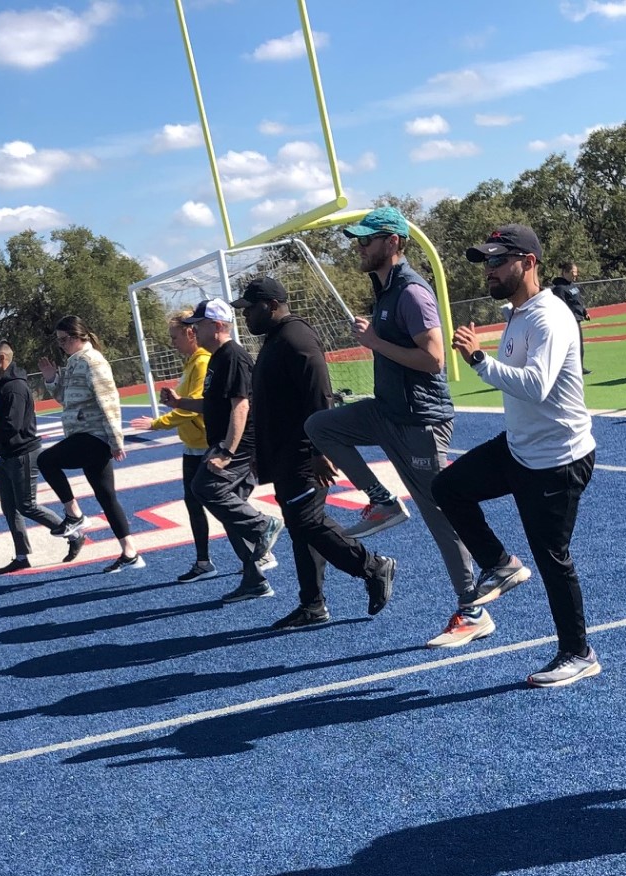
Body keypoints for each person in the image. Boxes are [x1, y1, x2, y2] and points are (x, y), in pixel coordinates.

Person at [306, 205, 488, 648]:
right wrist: (376, 333)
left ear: (393, 243)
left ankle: (473, 610)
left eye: (367, 240)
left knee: (439, 516)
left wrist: (374, 341)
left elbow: (433, 359)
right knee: (321, 425)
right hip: (390, 412)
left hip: (421, 422)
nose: (360, 247)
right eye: (359, 240)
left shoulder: (411, 292)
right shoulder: (386, 291)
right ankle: (382, 501)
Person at [443, 224, 600, 688]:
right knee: (448, 488)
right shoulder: (520, 312)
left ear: (528, 263)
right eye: (486, 263)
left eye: (497, 262)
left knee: (553, 558)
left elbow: (536, 384)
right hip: (521, 448)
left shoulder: (548, 316)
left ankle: (578, 653)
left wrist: (478, 360)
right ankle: (501, 564)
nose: (488, 271)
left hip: (558, 457)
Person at [239, 275, 397, 629]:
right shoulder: (277, 339)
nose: (246, 316)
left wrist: (318, 449)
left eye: (250, 308)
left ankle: (373, 566)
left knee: (307, 520)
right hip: (283, 453)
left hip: (302, 452)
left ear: (270, 305)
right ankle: (312, 604)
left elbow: (319, 397)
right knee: (299, 526)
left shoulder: (296, 338)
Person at [182, 297, 281, 604]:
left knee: (204, 487)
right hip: (228, 441)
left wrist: (227, 449)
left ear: (218, 325)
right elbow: (213, 404)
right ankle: (254, 579)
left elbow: (241, 405)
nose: (193, 332)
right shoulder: (217, 358)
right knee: (228, 510)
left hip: (239, 444)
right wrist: (179, 404)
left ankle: (263, 524)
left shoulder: (233, 356)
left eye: (198, 325)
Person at [37, 315, 140, 573]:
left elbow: (109, 401)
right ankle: (130, 552)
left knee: (45, 460)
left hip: (94, 436)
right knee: (106, 496)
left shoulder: (93, 362)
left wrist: (116, 441)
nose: (60, 345)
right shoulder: (74, 362)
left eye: (63, 340)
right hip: (83, 433)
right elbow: (65, 399)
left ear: (76, 337)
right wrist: (51, 379)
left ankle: (75, 515)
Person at [131, 309, 220, 581]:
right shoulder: (191, 363)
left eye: (174, 336)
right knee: (194, 502)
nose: (173, 343)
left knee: (220, 503)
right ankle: (204, 561)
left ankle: (258, 548)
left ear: (191, 333)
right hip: (192, 445)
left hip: (206, 445)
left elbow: (192, 408)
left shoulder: (202, 362)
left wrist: (156, 423)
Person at [0, 340, 65, 575]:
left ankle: (73, 531)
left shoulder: (13, 388)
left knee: (27, 506)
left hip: (22, 453)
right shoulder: (3, 385)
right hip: (7, 456)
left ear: (1, 359)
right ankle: (22, 556)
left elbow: (11, 427)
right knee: (10, 508)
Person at [549, 260, 593, 376]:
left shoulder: (572, 286)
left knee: (579, 345)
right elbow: (561, 307)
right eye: (573, 272)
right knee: (567, 346)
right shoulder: (559, 289)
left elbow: (577, 301)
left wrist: (584, 312)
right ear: (565, 272)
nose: (575, 274)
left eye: (576, 272)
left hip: (576, 319)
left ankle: (579, 367)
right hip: (568, 323)